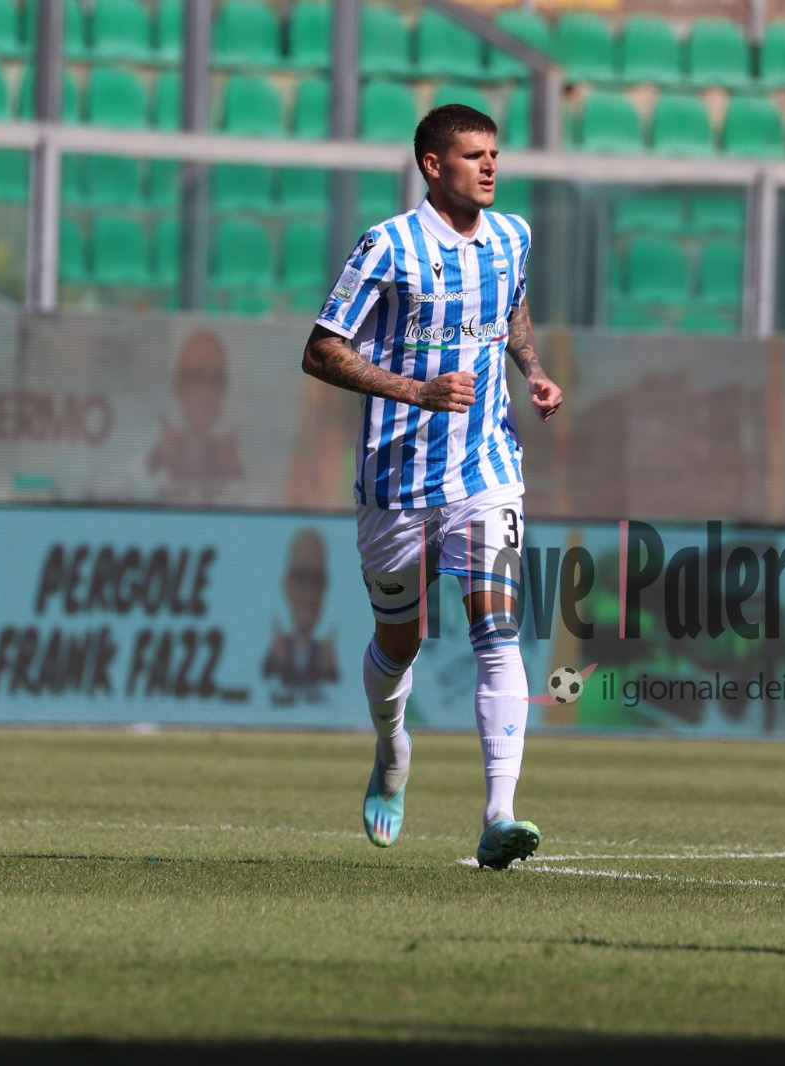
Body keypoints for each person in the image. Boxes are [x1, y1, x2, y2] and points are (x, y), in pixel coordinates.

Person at [301, 104, 563, 869]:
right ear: (432, 165)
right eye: (473, 155)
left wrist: (534, 371)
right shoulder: (387, 246)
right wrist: (413, 392)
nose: (489, 166)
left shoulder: (512, 236)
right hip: (397, 482)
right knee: (401, 638)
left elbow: (510, 308)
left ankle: (499, 813)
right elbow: (320, 353)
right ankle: (390, 749)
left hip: (489, 470)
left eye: (494, 154)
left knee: (498, 631)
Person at [148, 328, 244, 505]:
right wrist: (155, 462)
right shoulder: (145, 446)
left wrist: (233, 473)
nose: (205, 393)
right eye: (195, 377)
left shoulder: (238, 455)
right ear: (178, 385)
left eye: (214, 380)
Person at [262, 527, 339, 705]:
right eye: (301, 577)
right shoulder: (277, 649)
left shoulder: (326, 654)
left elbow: (336, 684)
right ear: (287, 583)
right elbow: (265, 676)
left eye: (317, 580)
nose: (309, 594)